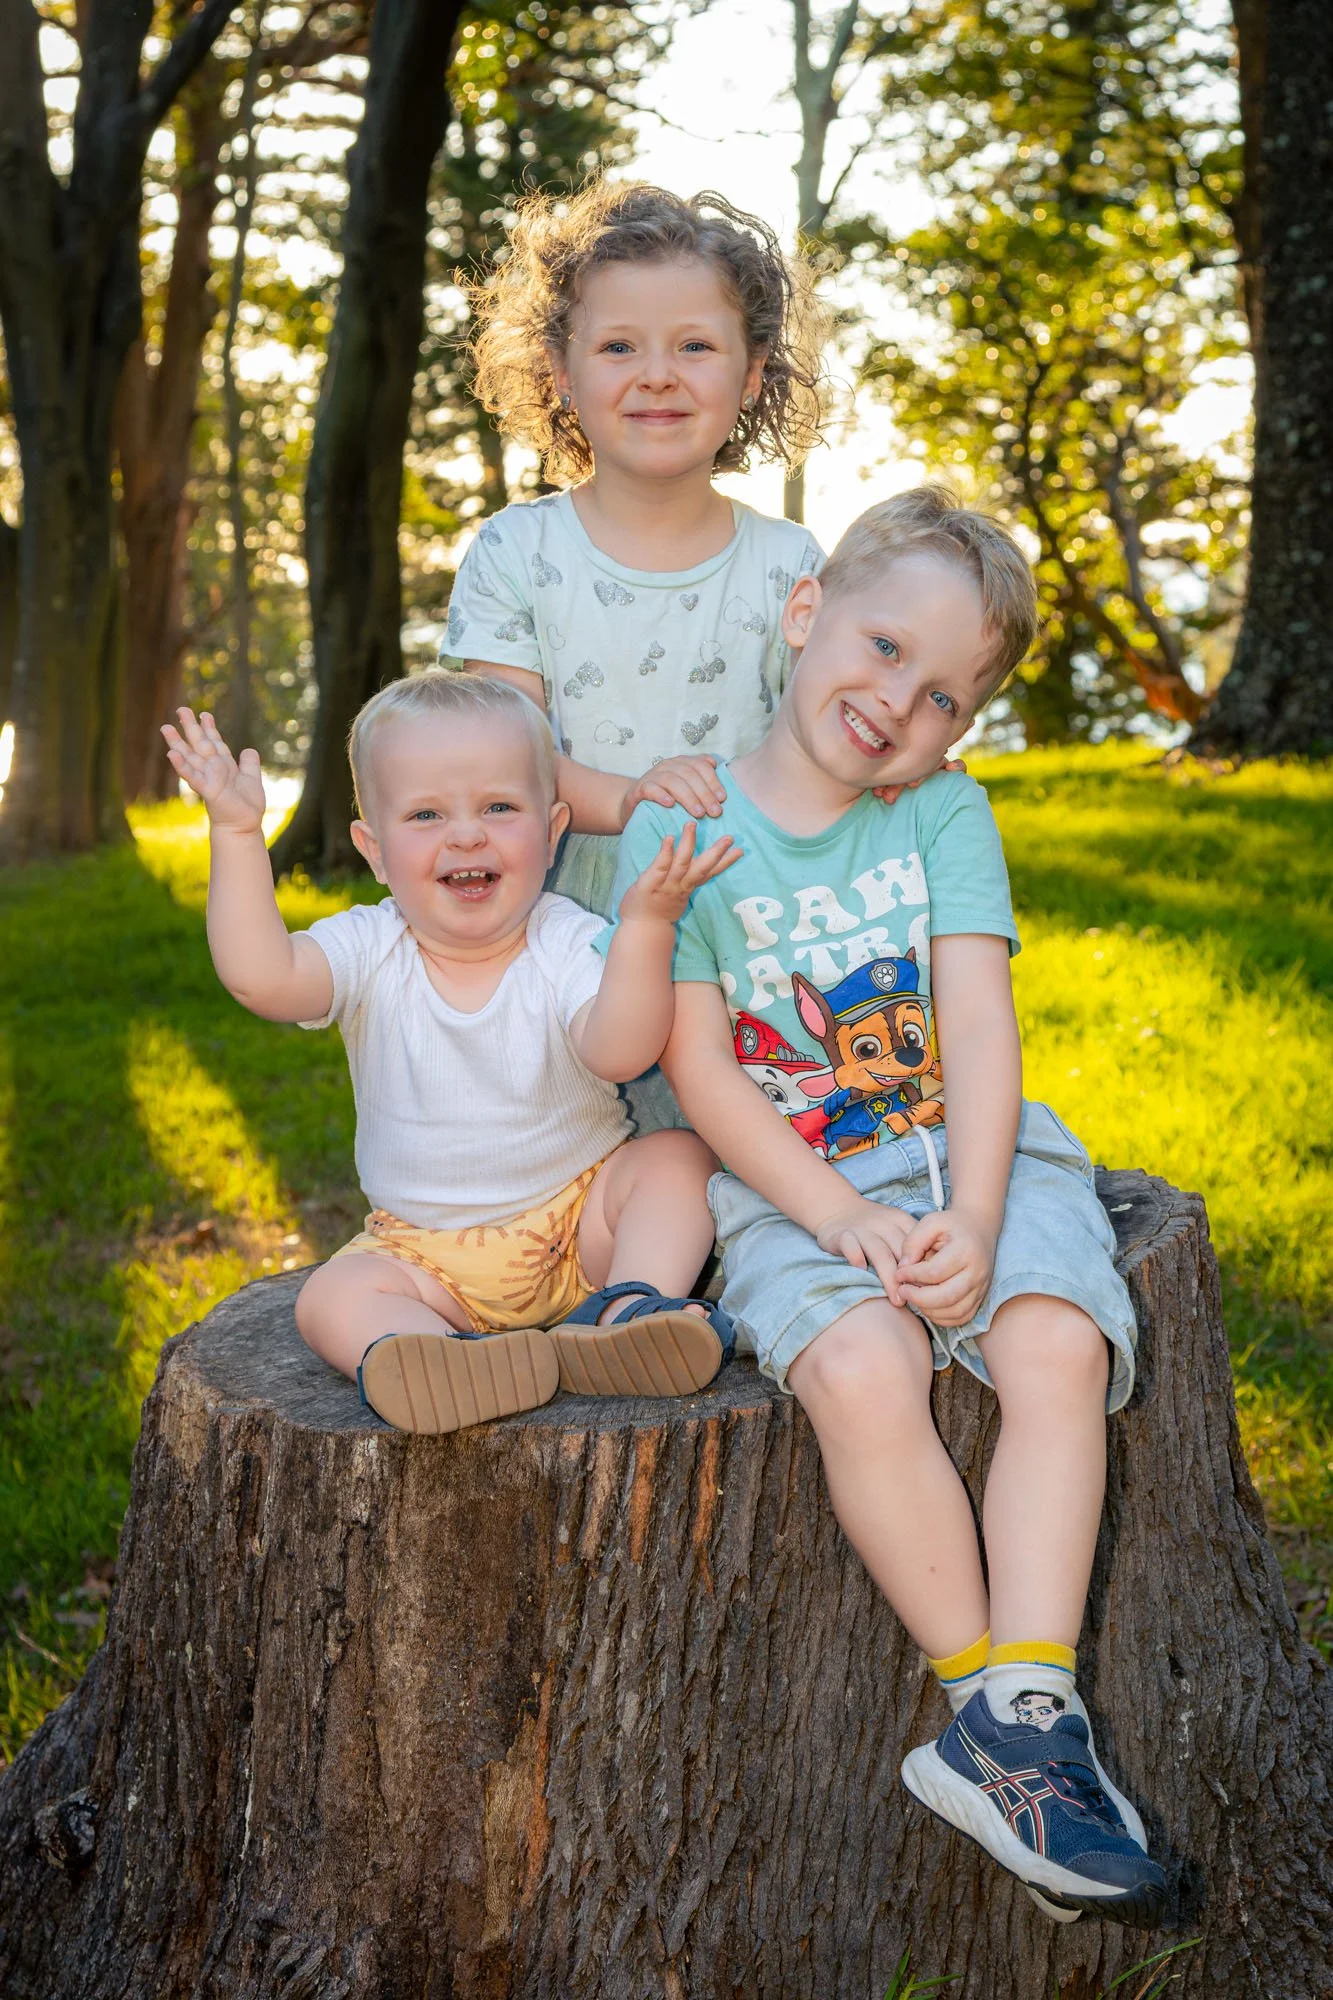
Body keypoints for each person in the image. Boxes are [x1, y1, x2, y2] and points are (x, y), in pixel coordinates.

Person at [600, 485, 1167, 1925]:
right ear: (806, 616)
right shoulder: (686, 831)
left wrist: (975, 1216)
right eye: (880, 645)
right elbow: (703, 1071)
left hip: (967, 1155)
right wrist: (831, 1218)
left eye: (939, 693)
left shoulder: (944, 816)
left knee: (1052, 1347)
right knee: (865, 1364)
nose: (895, 699)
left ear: (958, 732)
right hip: (790, 1185)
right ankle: (987, 1710)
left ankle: (1028, 1709)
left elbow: (978, 1027)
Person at [160, 670, 739, 1436]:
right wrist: (237, 835)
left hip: (580, 1226)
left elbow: (621, 1052)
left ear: (553, 828)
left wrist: (645, 930)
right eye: (427, 814)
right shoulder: (369, 946)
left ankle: (629, 1308)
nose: (466, 834)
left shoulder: (561, 938)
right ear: (373, 849)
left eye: (499, 807)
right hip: (424, 1261)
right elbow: (261, 978)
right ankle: (440, 1358)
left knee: (678, 1160)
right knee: (329, 1298)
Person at [441, 178, 827, 929]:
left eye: (695, 345)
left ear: (750, 374)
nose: (658, 374)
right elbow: (500, 760)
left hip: (746, 930)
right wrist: (630, 802)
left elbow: (819, 743)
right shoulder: (515, 551)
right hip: (558, 943)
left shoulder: (792, 565)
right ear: (560, 371)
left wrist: (894, 759)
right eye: (619, 346)